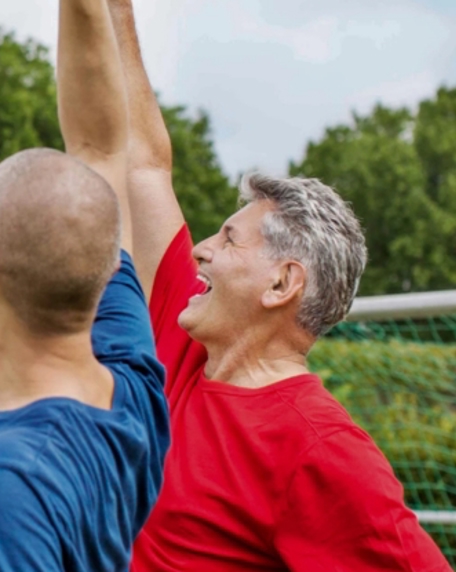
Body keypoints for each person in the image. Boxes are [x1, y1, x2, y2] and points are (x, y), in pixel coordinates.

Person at [102, 1, 452, 570]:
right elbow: (143, 166)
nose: (201, 248)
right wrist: (114, 12)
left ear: (282, 283)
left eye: (229, 239)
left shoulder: (321, 449)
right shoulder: (182, 339)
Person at [0, 0, 169, 569]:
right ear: (105, 273)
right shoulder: (131, 387)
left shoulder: (8, 481)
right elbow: (100, 150)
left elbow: (99, 154)